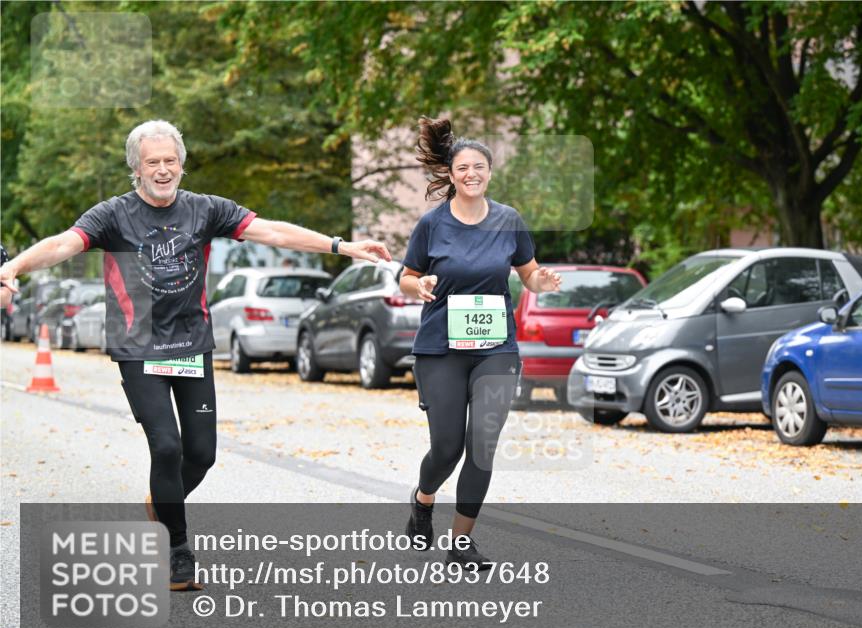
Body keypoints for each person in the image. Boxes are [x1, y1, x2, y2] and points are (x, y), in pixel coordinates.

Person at [0, 120, 391, 590]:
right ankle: (177, 551)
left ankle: (162, 504)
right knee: (166, 445)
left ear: (181, 165)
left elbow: (271, 232)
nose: (162, 170)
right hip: (139, 344)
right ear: (136, 169)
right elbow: (64, 243)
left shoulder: (204, 211)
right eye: (152, 163)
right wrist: (13, 265)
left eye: (170, 161)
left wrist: (340, 246)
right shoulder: (113, 216)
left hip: (190, 344)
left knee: (201, 454)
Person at [399, 117, 561, 569]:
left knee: (483, 443)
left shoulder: (509, 220)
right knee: (447, 447)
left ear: (490, 172)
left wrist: (541, 282)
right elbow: (406, 277)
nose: (472, 174)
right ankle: (423, 499)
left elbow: (529, 274)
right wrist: (421, 284)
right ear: (451, 175)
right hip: (441, 350)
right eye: (463, 167)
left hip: (495, 349)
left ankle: (461, 543)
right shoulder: (432, 225)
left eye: (480, 167)